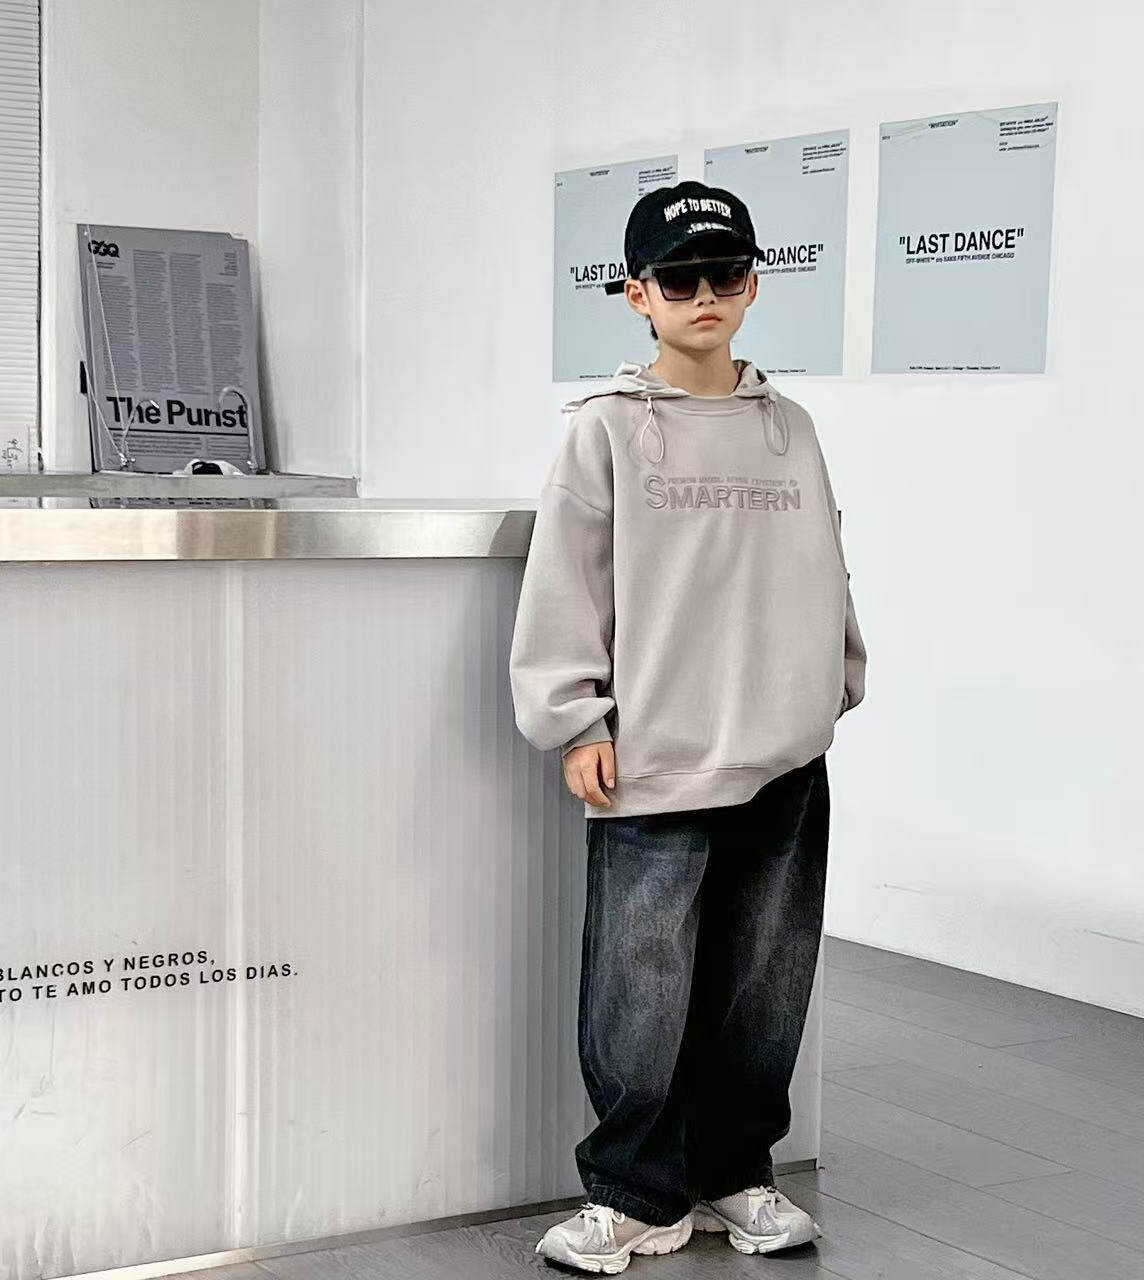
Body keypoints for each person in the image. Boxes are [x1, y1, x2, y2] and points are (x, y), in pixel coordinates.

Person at [508, 180, 867, 1272]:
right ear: (638, 295)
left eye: (724, 272)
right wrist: (576, 718)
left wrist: (836, 679)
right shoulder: (605, 431)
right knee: (639, 985)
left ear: (753, 284)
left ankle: (733, 1174)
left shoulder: (790, 429)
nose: (703, 293)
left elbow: (822, 563)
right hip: (654, 753)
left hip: (783, 752)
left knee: (764, 983)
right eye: (679, 278)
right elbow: (565, 579)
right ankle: (632, 1193)